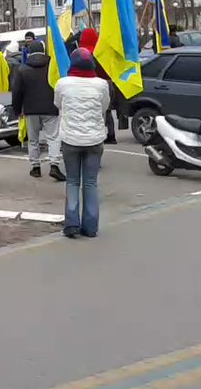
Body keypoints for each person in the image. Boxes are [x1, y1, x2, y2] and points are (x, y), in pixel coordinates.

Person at [54, 48, 110, 239]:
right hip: (95, 140)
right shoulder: (101, 84)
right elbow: (105, 106)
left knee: (72, 181)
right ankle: (90, 226)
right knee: (91, 182)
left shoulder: (62, 83)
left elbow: (57, 104)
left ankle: (71, 224)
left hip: (70, 139)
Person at [11, 41, 65, 181]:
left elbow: (17, 92)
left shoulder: (23, 69)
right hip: (50, 107)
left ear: (29, 52)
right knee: (53, 138)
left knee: (33, 139)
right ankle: (54, 165)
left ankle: (35, 167)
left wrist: (17, 109)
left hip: (30, 109)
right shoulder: (52, 67)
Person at [75, 28, 125, 142]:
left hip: (92, 84)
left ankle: (94, 134)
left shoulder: (84, 54)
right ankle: (111, 135)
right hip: (108, 83)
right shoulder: (103, 52)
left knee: (91, 110)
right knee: (107, 110)